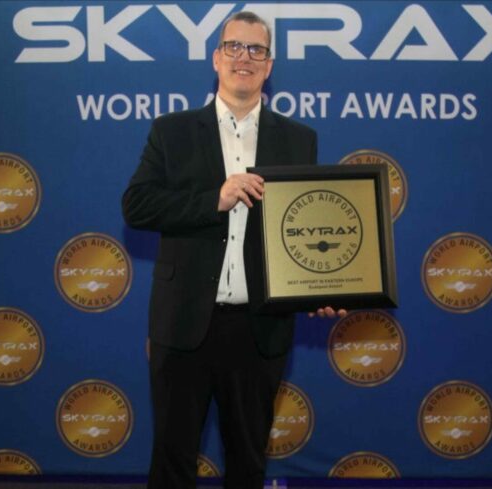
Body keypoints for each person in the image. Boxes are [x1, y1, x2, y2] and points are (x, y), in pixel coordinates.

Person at [122, 11, 345, 489]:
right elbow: (136, 206)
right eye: (234, 47)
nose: (245, 57)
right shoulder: (172, 131)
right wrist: (214, 200)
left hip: (258, 329)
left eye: (256, 50)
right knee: (172, 462)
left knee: (248, 463)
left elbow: (301, 227)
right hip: (183, 324)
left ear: (269, 65)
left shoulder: (299, 139)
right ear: (216, 58)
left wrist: (319, 287)